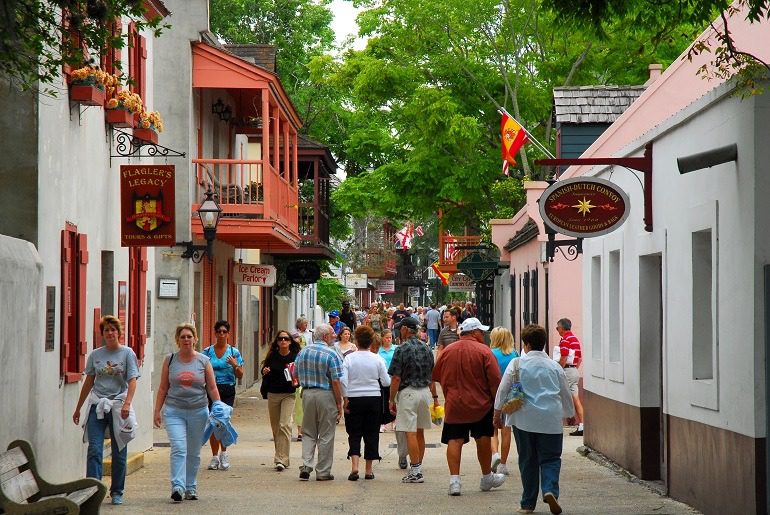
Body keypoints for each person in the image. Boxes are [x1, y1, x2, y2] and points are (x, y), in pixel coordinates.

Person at [494, 324, 574, 515]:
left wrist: (497, 414)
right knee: (552, 458)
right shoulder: (555, 367)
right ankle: (550, 489)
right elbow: (565, 393)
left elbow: (503, 390)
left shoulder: (517, 364)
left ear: (526, 344)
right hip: (551, 420)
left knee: (528, 460)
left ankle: (527, 504)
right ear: (544, 344)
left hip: (524, 421)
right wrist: (569, 414)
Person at [432, 317, 505, 496]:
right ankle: (487, 477)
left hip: (455, 404)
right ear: (474, 332)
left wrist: (451, 391)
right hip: (481, 405)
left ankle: (454, 481)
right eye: (481, 331)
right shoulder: (484, 351)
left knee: (454, 440)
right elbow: (495, 381)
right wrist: (499, 406)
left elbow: (437, 375)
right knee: (483, 439)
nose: (483, 334)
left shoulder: (448, 351)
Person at [72, 315, 139, 506]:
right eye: (106, 330)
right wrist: (78, 408)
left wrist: (127, 403)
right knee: (94, 448)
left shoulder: (127, 354)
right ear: (102, 334)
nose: (110, 333)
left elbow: (132, 380)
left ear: (119, 332)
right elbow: (89, 382)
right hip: (97, 405)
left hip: (118, 406)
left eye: (113, 330)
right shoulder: (95, 355)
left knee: (119, 450)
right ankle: (93, 490)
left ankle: (117, 490)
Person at [154, 323, 221, 502]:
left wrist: (219, 407)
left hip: (198, 411)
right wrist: (157, 410)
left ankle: (191, 486)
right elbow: (162, 388)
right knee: (179, 448)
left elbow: (212, 388)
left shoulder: (203, 361)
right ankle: (177, 486)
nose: (186, 340)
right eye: (182, 337)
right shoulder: (170, 360)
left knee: (193, 451)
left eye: (189, 336)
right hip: (174, 411)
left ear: (195, 339)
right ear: (177, 340)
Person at [388, 317, 439, 483]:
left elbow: (396, 377)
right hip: (424, 392)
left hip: (408, 392)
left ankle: (416, 471)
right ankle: (418, 466)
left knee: (409, 431)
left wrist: (391, 399)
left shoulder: (402, 349)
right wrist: (435, 397)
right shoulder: (426, 348)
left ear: (405, 329)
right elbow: (432, 375)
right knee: (420, 432)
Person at [292, 324, 344, 481]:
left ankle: (307, 464)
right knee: (326, 433)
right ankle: (322, 471)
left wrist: (304, 385)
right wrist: (339, 402)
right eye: (333, 334)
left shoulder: (303, 352)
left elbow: (295, 373)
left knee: (308, 431)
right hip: (326, 394)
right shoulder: (331, 354)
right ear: (326, 336)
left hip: (307, 393)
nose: (335, 336)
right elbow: (335, 381)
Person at [341, 326, 391, 481]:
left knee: (354, 433)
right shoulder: (378, 359)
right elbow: (386, 381)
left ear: (356, 340)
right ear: (371, 342)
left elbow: (343, 380)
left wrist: (345, 398)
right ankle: (368, 470)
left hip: (354, 398)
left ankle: (355, 466)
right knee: (371, 433)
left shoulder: (349, 358)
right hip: (373, 398)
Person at [202, 320, 244, 471]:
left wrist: (234, 364)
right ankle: (214, 456)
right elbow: (200, 370)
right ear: (215, 333)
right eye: (218, 331)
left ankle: (224, 453)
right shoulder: (206, 353)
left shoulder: (234, 352)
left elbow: (240, 375)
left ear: (228, 334)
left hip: (227, 390)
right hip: (211, 390)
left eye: (224, 331)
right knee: (213, 422)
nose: (221, 334)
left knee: (223, 421)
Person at [261, 330, 301, 471]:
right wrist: (264, 372)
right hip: (273, 394)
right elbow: (264, 371)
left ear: (290, 341)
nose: (283, 341)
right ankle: (280, 454)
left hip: (288, 394)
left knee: (285, 424)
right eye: (280, 339)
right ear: (277, 342)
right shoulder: (272, 356)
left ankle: (281, 459)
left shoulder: (295, 357)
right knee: (276, 427)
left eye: (286, 339)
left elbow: (300, 374)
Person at [489, 326, 519, 475]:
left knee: (493, 429)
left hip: (493, 395)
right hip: (512, 396)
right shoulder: (515, 354)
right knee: (506, 431)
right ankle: (503, 464)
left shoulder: (490, 354)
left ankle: (495, 454)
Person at [554, 318, 584, 437]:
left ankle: (556, 423)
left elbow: (564, 356)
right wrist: (574, 368)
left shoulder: (565, 339)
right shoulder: (575, 339)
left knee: (557, 394)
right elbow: (580, 358)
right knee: (575, 399)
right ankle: (582, 425)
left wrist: (559, 370)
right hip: (574, 371)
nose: (557, 330)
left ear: (562, 328)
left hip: (566, 370)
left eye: (557, 328)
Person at [292, 317, 313, 441]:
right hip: (296, 378)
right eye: (304, 324)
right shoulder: (294, 335)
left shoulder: (310, 335)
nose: (306, 325)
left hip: (305, 376)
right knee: (298, 405)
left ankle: (303, 430)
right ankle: (299, 430)